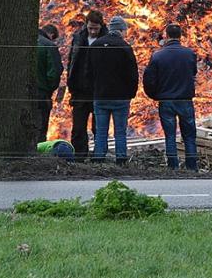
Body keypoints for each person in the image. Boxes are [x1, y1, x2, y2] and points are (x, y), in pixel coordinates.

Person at [143, 23, 198, 171]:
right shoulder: (190, 54)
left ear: (166, 36)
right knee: (190, 136)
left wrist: (154, 95)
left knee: (170, 136)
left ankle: (173, 167)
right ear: (180, 36)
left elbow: (149, 79)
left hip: (166, 100)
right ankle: (192, 167)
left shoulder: (158, 55)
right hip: (185, 100)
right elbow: (193, 73)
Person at [89, 15, 138, 165]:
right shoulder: (124, 47)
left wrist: (94, 89)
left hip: (101, 95)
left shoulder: (96, 45)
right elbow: (132, 73)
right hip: (121, 97)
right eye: (125, 31)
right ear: (121, 30)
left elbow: (89, 71)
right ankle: (121, 159)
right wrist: (131, 93)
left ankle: (98, 158)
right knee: (120, 132)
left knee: (101, 131)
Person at [66, 11, 106, 159]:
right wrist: (71, 84)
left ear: (101, 26)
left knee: (98, 128)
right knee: (78, 128)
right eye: (90, 28)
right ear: (86, 25)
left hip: (98, 92)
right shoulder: (78, 38)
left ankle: (99, 156)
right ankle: (79, 156)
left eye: (96, 28)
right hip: (79, 91)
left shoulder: (106, 40)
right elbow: (72, 62)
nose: (93, 31)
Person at [36, 24, 64, 144]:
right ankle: (38, 153)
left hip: (20, 92)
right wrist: (50, 89)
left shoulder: (25, 40)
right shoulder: (49, 45)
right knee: (40, 126)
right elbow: (54, 72)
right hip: (41, 93)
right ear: (51, 35)